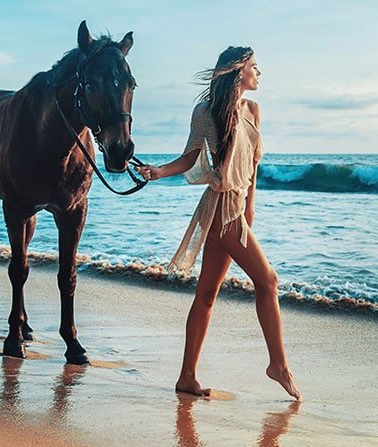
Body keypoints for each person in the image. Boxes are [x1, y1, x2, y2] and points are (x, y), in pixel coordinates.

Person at [136, 46, 301, 400]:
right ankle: (278, 366)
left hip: (236, 208)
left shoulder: (253, 110)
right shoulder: (206, 111)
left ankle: (187, 377)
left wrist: (250, 209)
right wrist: (158, 172)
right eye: (255, 67)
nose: (260, 73)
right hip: (221, 208)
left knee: (207, 293)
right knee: (268, 281)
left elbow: (252, 168)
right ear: (238, 71)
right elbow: (191, 156)